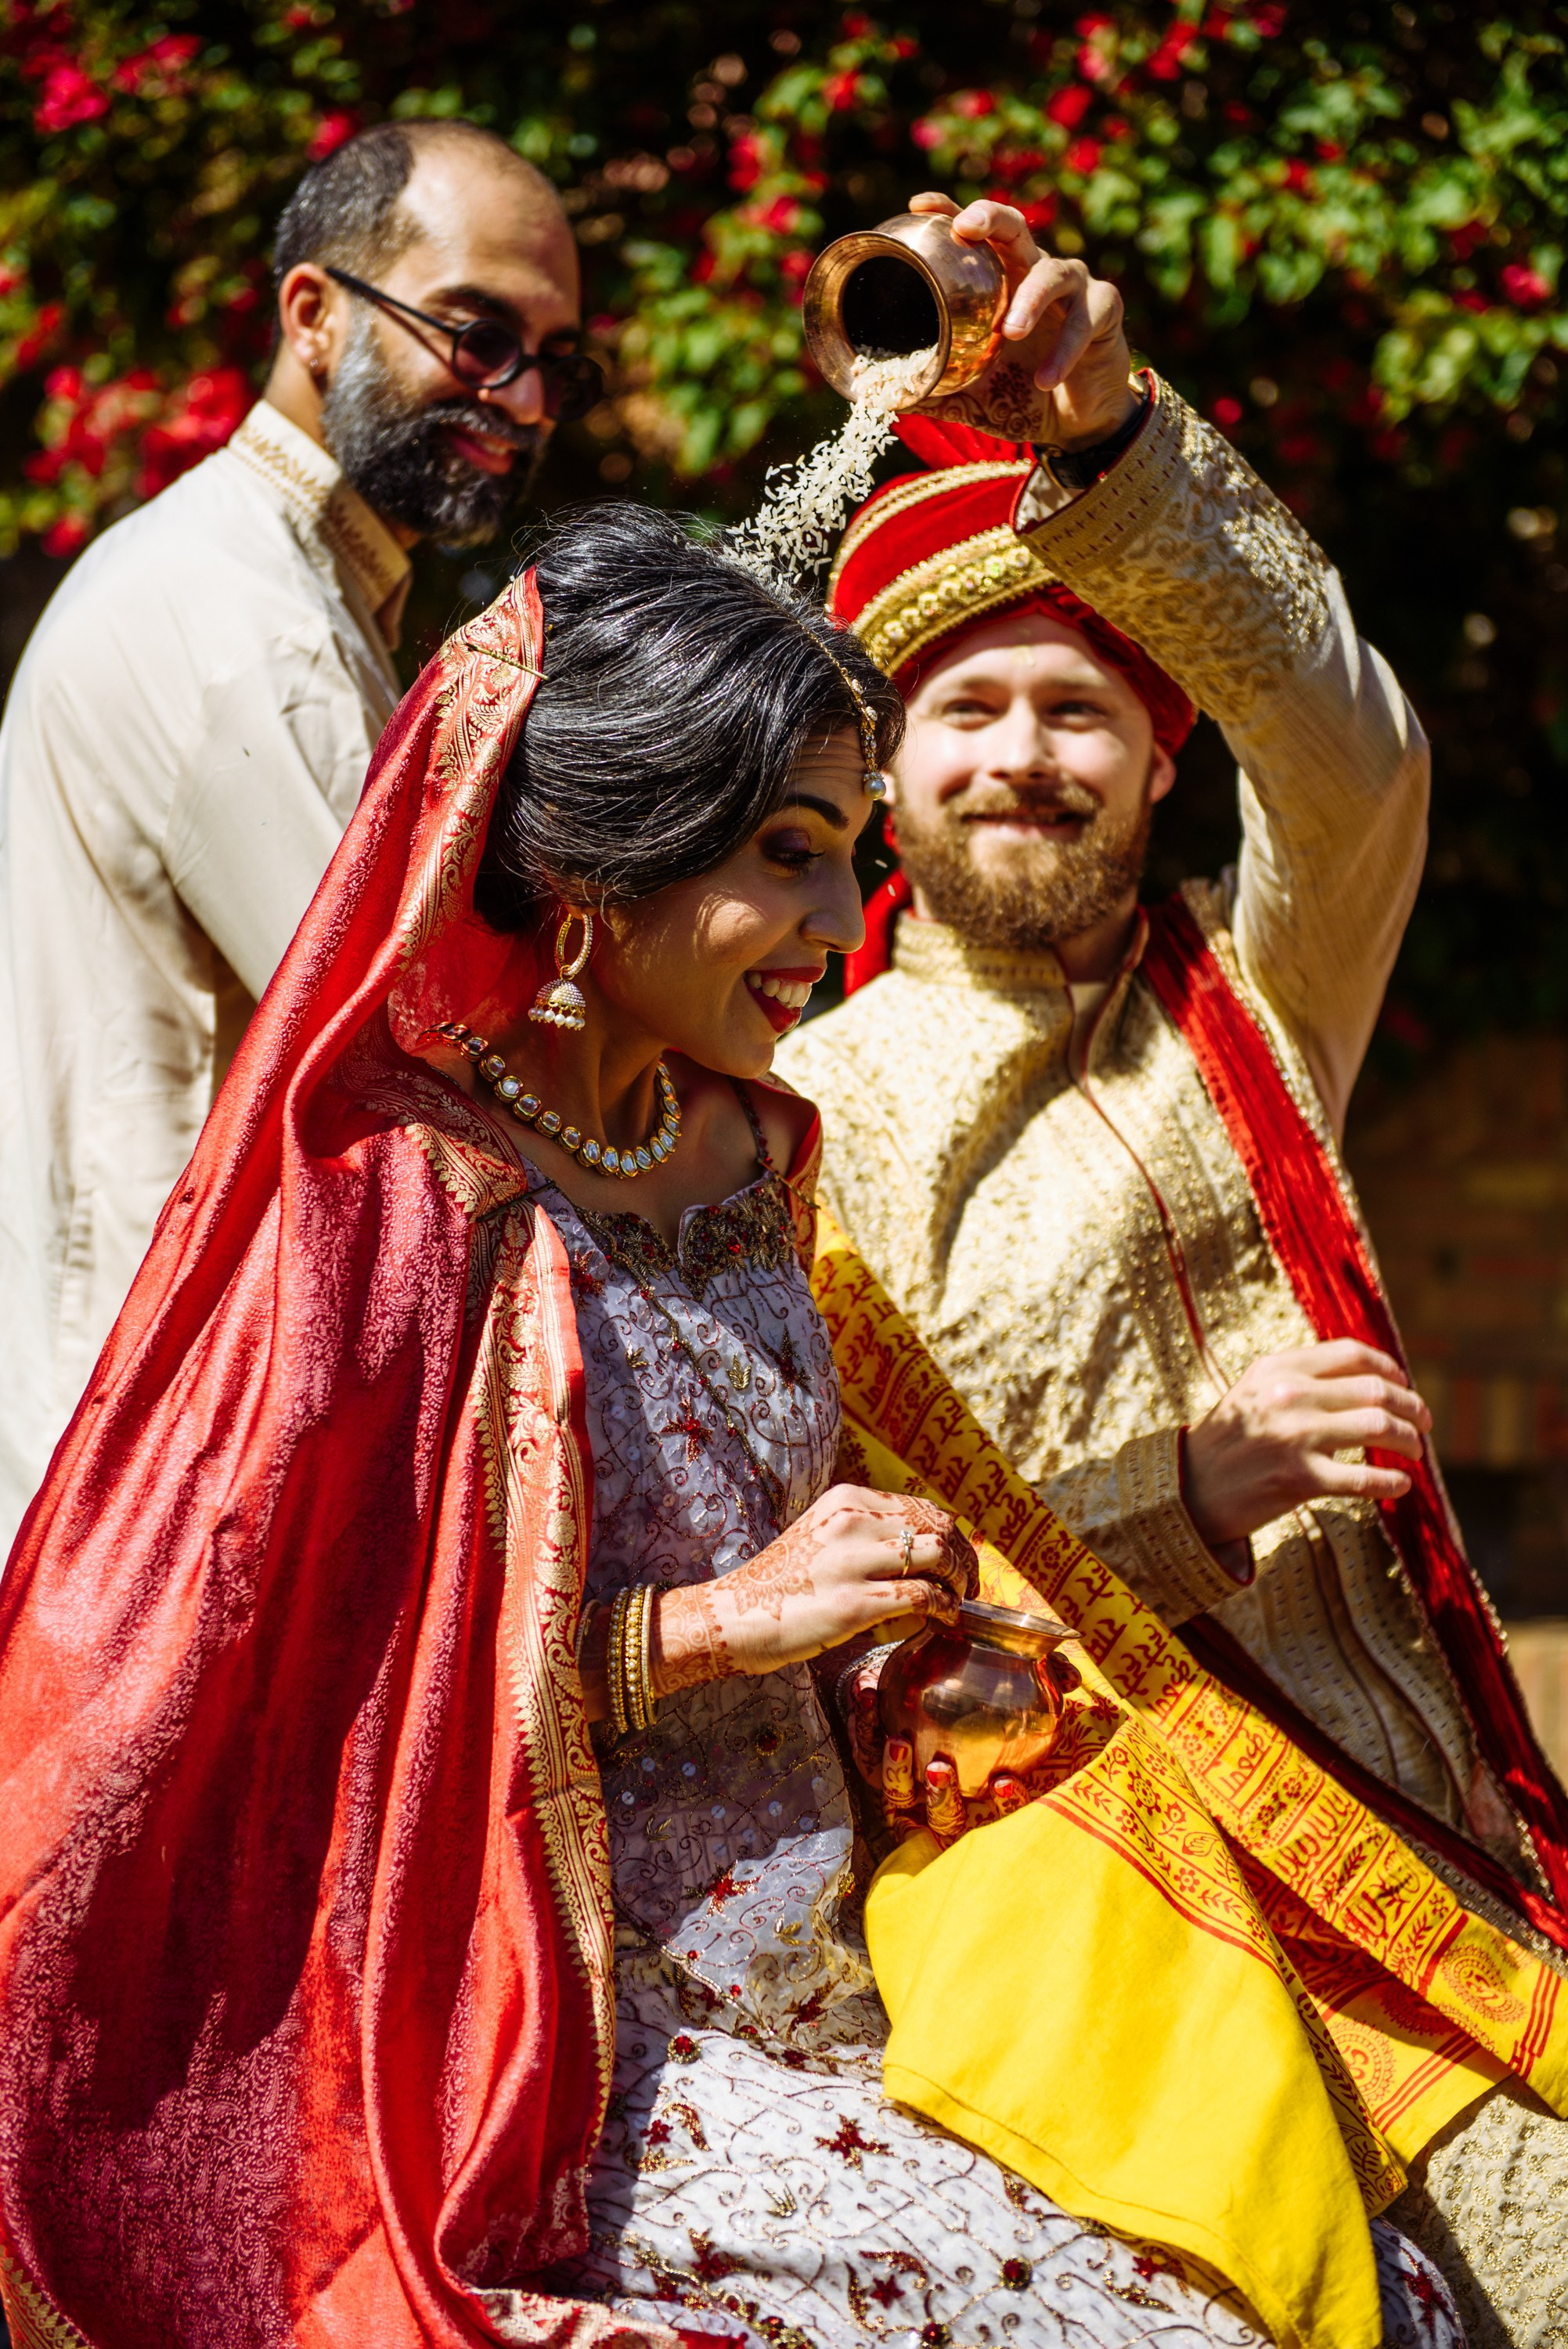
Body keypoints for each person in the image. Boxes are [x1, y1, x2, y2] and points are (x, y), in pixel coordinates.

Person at [0, 507, 1464, 2349]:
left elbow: (811, 1542)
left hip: (891, 1963)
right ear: (608, 869)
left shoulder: (760, 1151)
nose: (839, 923)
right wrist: (709, 1633)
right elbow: (297, 1726)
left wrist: (898, 1678)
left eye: (848, 856)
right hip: (556, 2050)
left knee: (1375, 2265)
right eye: (787, 858)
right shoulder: (396, 1202)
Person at [780, 195, 1568, 2342]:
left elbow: (1353, 751)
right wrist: (1196, 1491)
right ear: (879, 779)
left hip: (1423, 1838)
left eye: (1075, 708)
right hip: (1075, 1903)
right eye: (961, 713)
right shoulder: (796, 1107)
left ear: (1155, 753)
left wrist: (1113, 431)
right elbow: (845, 1599)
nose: (1019, 755)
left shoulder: (1251, 1001)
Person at [0, 115, 597, 1550]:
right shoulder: (233, 618)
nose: (519, 396)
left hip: (180, 1436)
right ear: (315, 315)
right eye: (474, 332)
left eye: (555, 359)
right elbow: (434, 1046)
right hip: (147, 1471)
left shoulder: (306, 591)